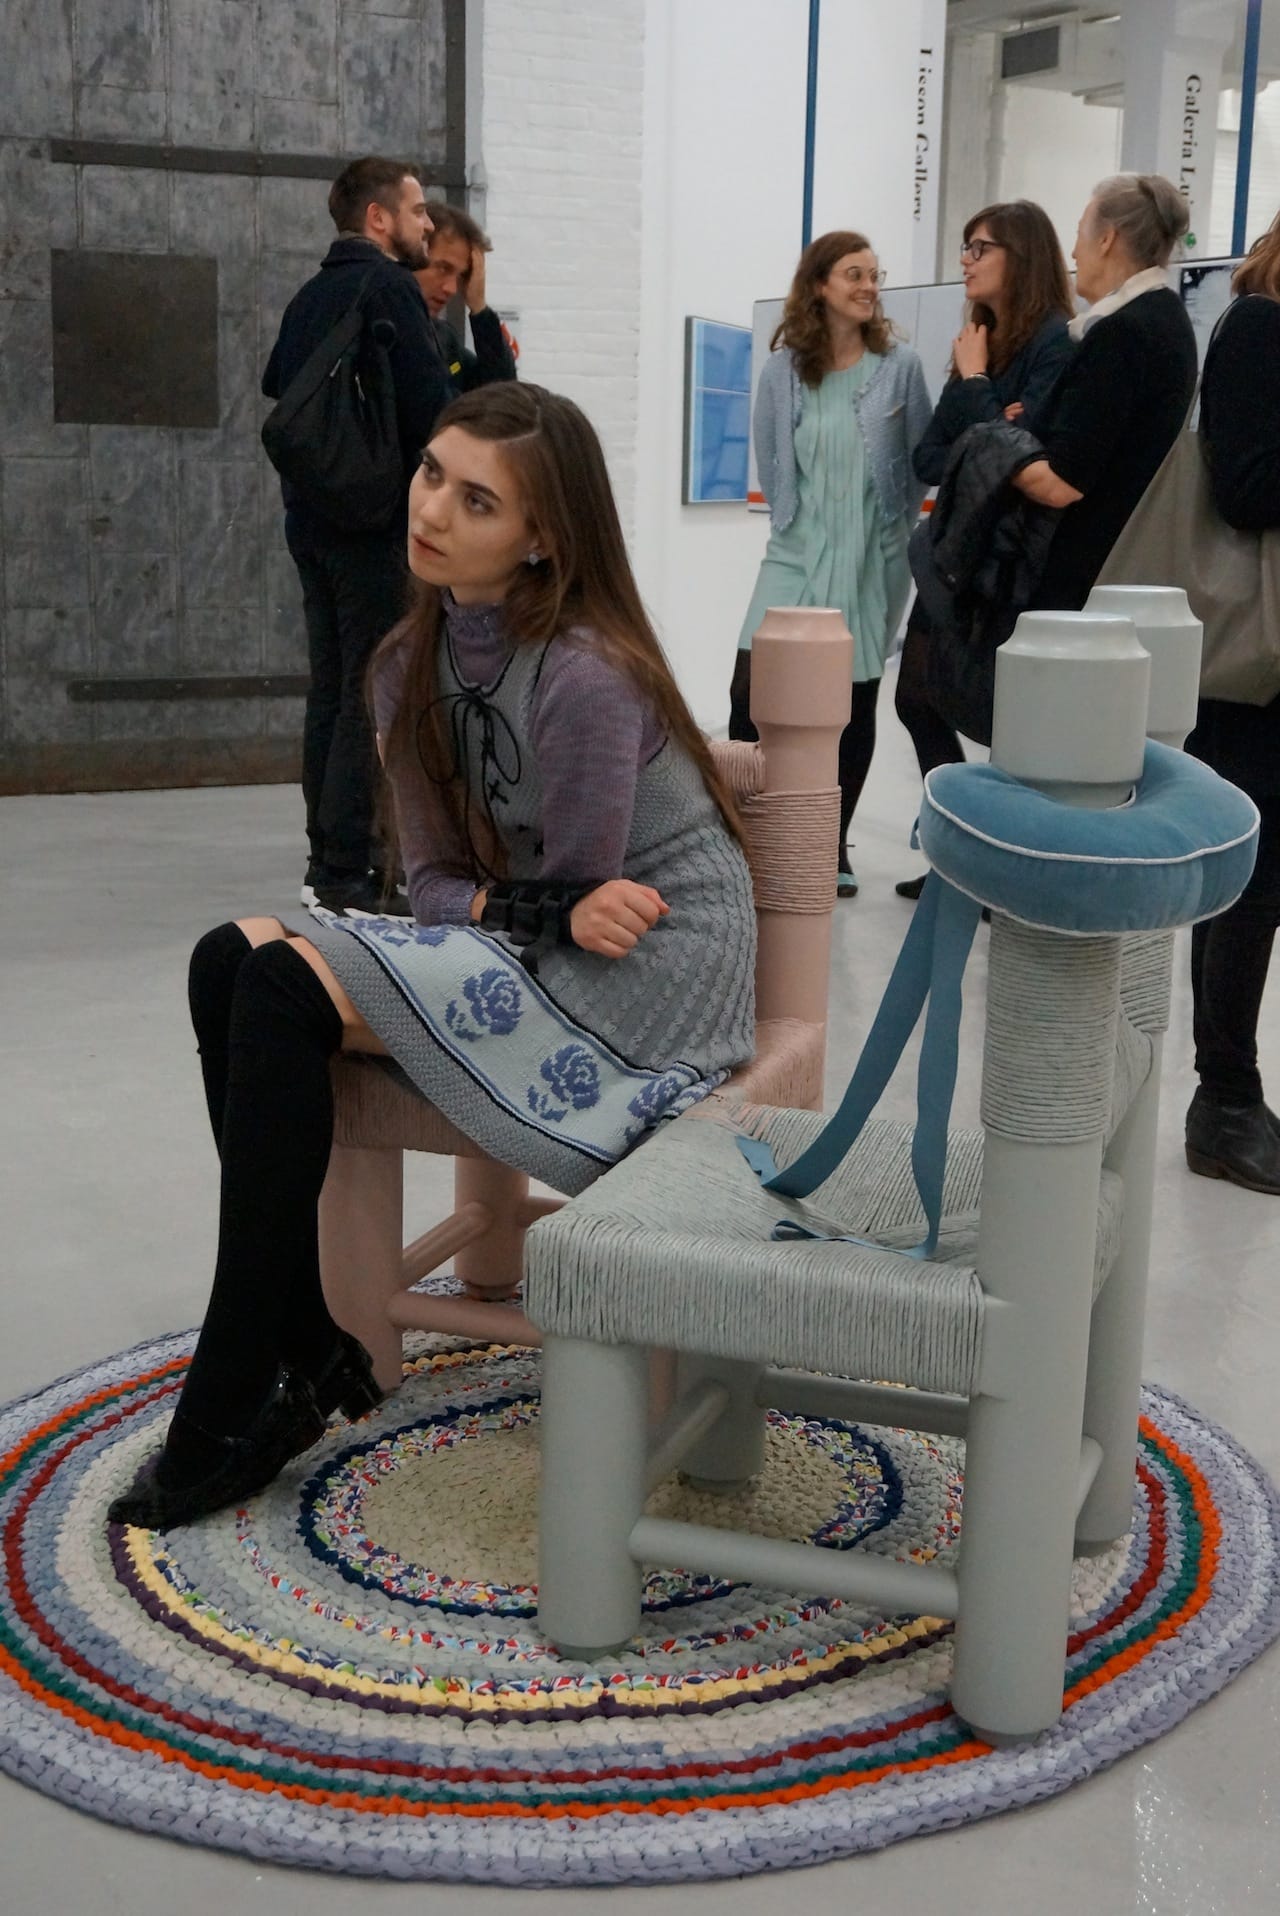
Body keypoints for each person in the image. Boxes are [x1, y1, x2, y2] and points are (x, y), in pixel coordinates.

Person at [108, 384, 757, 1530]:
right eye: (429, 473)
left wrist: (516, 899)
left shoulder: (583, 675)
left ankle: (237, 1384)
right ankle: (299, 1332)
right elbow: (446, 886)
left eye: (477, 498)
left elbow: (587, 894)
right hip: (539, 944)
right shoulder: (409, 664)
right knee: (230, 959)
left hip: (648, 976)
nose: (434, 510)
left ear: (542, 536)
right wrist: (516, 898)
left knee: (275, 981)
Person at [263, 157, 454, 920]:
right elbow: (431, 409)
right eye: (415, 211)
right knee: (367, 694)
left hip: (310, 522)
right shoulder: (388, 289)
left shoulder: (309, 296)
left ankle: (326, 856)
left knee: (332, 687)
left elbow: (283, 386)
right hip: (374, 526)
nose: (428, 224)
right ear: (378, 219)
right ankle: (346, 868)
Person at [730, 230, 932, 896]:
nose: (869, 286)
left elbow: (921, 459)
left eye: (875, 275)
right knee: (748, 692)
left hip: (873, 557)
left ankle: (829, 847)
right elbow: (772, 461)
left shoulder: (899, 366)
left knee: (853, 702)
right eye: (854, 274)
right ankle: (746, 834)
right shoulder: (783, 372)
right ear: (819, 285)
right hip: (794, 549)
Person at [894, 201, 1075, 899]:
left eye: (979, 248)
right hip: (954, 552)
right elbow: (932, 455)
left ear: (1020, 257)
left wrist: (976, 390)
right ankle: (957, 863)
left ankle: (990, 868)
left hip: (1008, 562)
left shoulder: (1056, 343)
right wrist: (989, 409)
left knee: (1003, 723)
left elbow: (1024, 454)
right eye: (965, 248)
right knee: (917, 699)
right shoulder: (978, 339)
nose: (965, 261)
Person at [1183, 209, 1280, 1193]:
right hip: (1254, 652)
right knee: (1250, 879)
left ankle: (1234, 1093)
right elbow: (1244, 486)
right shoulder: (1254, 323)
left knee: (1258, 882)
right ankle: (1222, 1096)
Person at [1011, 175, 1198, 608]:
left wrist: (991, 449)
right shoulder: (1165, 318)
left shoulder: (1122, 333)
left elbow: (1062, 482)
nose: (1074, 251)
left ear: (1107, 239)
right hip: (1124, 570)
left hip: (1087, 579)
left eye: (1079, 234)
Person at [414, 200, 518, 390]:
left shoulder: (443, 339)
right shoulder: (379, 330)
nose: (452, 289)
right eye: (443, 268)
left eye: (462, 276)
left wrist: (479, 308)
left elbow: (500, 392)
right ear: (413, 256)